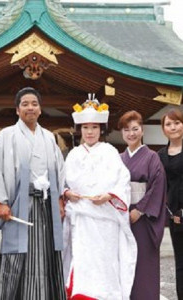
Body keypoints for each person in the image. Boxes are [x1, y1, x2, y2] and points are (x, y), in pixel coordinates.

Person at [0, 87, 66, 300]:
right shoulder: (7, 136)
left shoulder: (48, 137)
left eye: (34, 104)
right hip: (19, 206)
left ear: (40, 109)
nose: (30, 108)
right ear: (17, 110)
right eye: (25, 104)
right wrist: (1, 201)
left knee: (45, 254)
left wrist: (60, 199)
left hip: (46, 206)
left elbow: (59, 169)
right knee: (17, 256)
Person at [63, 96, 137, 300]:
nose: (89, 132)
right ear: (80, 129)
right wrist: (68, 193)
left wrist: (108, 196)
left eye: (94, 127)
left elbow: (123, 181)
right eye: (85, 127)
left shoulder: (110, 152)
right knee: (82, 261)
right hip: (82, 218)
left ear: (101, 129)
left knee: (105, 264)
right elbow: (63, 183)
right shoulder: (74, 155)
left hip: (105, 219)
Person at [118, 110, 166, 300]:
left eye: (135, 129)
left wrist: (140, 209)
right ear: (122, 133)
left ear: (142, 130)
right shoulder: (118, 158)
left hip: (143, 218)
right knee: (123, 261)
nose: (131, 133)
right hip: (121, 216)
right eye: (126, 129)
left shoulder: (152, 157)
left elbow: (158, 185)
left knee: (143, 261)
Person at [158, 108, 183, 300]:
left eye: (177, 122)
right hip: (175, 217)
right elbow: (159, 187)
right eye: (168, 124)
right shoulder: (160, 155)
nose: (173, 127)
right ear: (163, 129)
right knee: (181, 263)